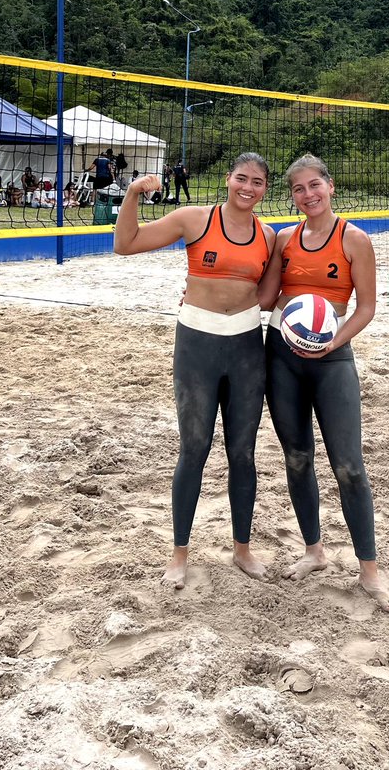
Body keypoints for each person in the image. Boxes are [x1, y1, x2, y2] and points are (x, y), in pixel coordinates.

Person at [114, 152, 275, 589]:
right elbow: (125, 244)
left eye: (257, 182)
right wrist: (132, 194)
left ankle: (242, 549)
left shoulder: (268, 236)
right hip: (197, 344)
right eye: (242, 178)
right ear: (228, 179)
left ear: (265, 188)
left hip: (245, 346)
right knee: (194, 449)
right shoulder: (193, 219)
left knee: (242, 453)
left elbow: (273, 295)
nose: (248, 187)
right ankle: (179, 554)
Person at [259, 154, 389, 613]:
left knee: (349, 467)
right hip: (282, 354)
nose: (308, 195)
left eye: (314, 185)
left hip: (331, 357)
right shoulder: (284, 239)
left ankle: (369, 571)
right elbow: (266, 295)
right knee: (297, 458)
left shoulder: (355, 239)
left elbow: (366, 307)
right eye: (298, 189)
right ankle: (314, 552)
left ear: (330, 186)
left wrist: (331, 343)